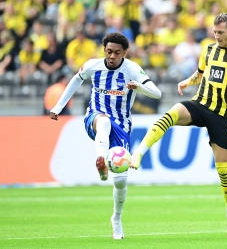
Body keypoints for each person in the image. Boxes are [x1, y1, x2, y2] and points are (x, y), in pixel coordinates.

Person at [130, 13, 227, 238]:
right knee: (171, 113)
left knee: (223, 170)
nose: (216, 36)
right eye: (214, 32)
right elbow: (201, 73)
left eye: (221, 32)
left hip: (222, 116)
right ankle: (139, 152)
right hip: (200, 104)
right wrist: (188, 81)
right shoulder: (208, 50)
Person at [49, 32, 161, 239]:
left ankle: (116, 219)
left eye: (117, 53)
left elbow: (157, 93)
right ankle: (101, 159)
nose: (112, 56)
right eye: (109, 51)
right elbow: (75, 80)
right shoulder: (93, 65)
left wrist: (139, 86)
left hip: (122, 126)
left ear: (124, 53)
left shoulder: (132, 69)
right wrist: (58, 107)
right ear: (104, 50)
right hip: (95, 118)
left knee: (121, 181)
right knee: (104, 121)